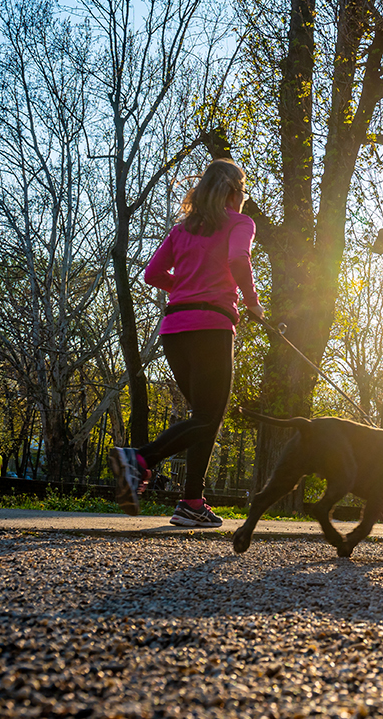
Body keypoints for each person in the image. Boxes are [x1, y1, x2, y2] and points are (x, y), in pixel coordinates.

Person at [108, 159, 265, 528]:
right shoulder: (241, 223)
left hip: (174, 331)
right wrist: (252, 301)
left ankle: (192, 502)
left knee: (203, 420)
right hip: (211, 328)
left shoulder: (183, 230)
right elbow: (238, 258)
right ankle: (139, 458)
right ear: (234, 192)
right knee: (209, 417)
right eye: (242, 189)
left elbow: (152, 274)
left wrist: (185, 289)